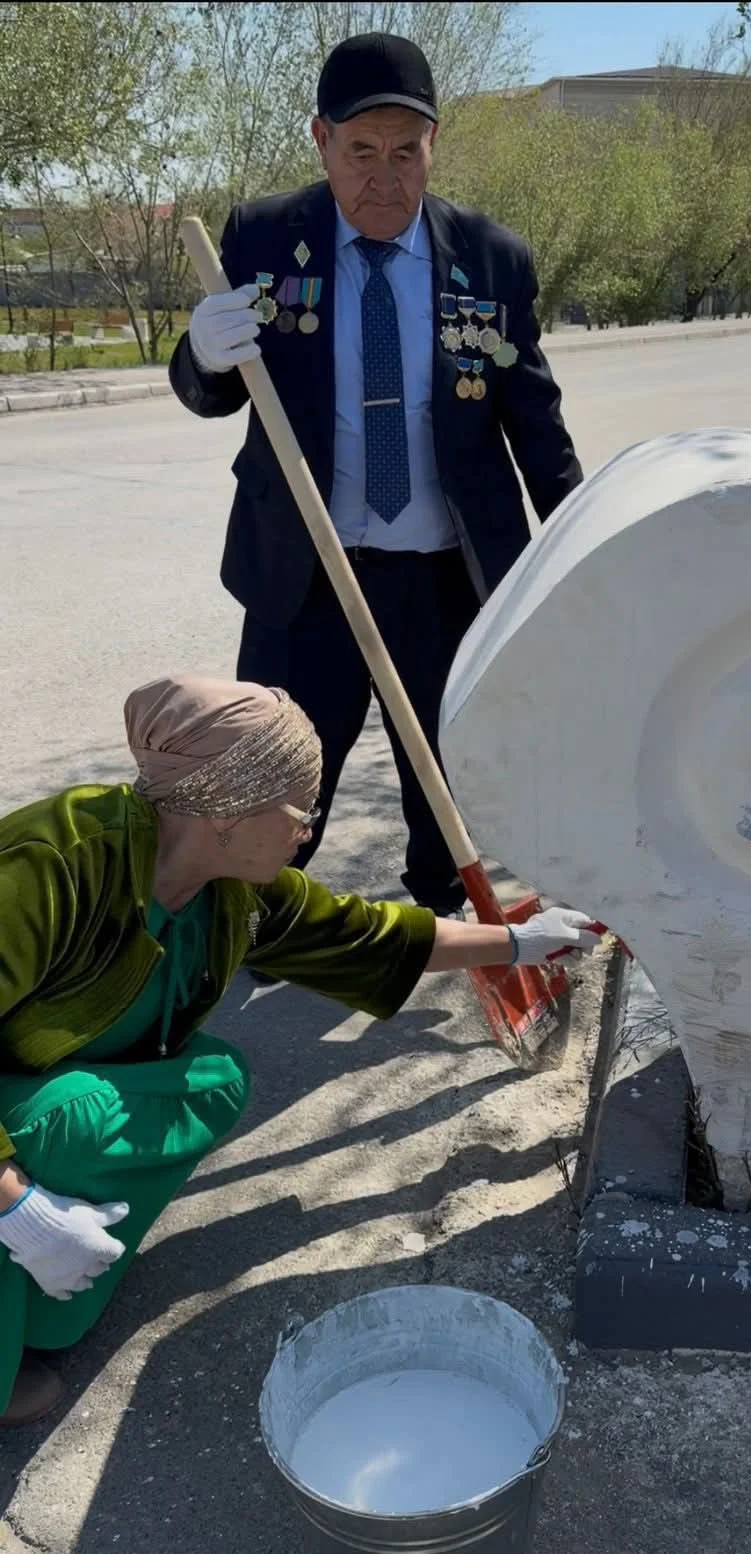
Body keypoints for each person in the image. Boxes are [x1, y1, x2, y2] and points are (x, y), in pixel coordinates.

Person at [0, 675, 599, 1427]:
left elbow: (362, 934)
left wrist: (516, 942)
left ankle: (42, 1300)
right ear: (227, 807)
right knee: (69, 1119)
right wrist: (18, 1207)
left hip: (49, 1088)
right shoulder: (48, 868)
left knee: (211, 1083)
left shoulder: (229, 884)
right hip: (18, 1105)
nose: (309, 830)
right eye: (301, 810)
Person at [168, 31, 583, 919]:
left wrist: (584, 542)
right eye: (362, 152)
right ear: (322, 141)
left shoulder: (491, 258)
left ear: (434, 144)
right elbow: (214, 392)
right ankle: (251, 923)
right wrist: (201, 354)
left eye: (405, 153)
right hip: (306, 573)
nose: (384, 178)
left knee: (445, 768)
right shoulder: (264, 238)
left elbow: (536, 424)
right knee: (273, 775)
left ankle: (440, 913)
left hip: (445, 579)